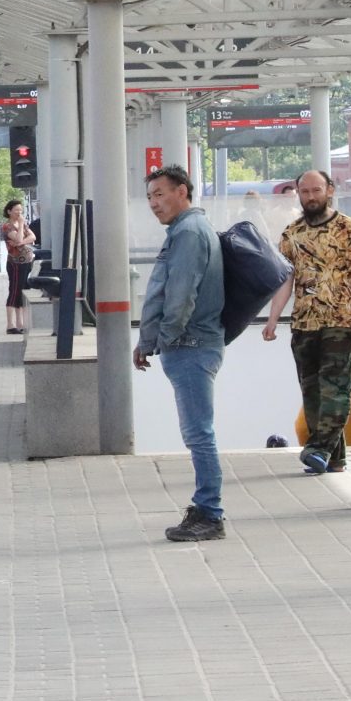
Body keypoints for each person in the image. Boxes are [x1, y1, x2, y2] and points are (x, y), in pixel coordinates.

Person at [134, 164, 226, 542]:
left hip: (190, 345)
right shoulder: (185, 230)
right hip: (189, 344)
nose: (154, 204)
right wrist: (149, 340)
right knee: (197, 432)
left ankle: (210, 513)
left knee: (199, 434)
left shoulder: (188, 232)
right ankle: (207, 509)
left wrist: (164, 338)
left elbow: (180, 294)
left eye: (161, 194)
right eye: (150, 197)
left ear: (182, 192)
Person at [261, 168, 351, 476]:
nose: (311, 196)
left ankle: (319, 448)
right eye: (305, 191)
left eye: (316, 190)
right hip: (303, 323)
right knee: (311, 392)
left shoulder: (347, 228)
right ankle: (333, 459)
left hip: (340, 318)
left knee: (335, 389)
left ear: (330, 190)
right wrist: (273, 319)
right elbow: (286, 279)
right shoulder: (292, 233)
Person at [0, 198, 32, 334]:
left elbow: (33, 237)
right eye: (16, 210)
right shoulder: (7, 226)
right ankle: (10, 324)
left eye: (21, 209)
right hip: (15, 263)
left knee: (23, 290)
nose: (19, 212)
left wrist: (21, 242)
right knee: (14, 291)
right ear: (9, 211)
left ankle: (21, 323)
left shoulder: (22, 225)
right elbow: (18, 238)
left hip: (26, 261)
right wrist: (21, 237)